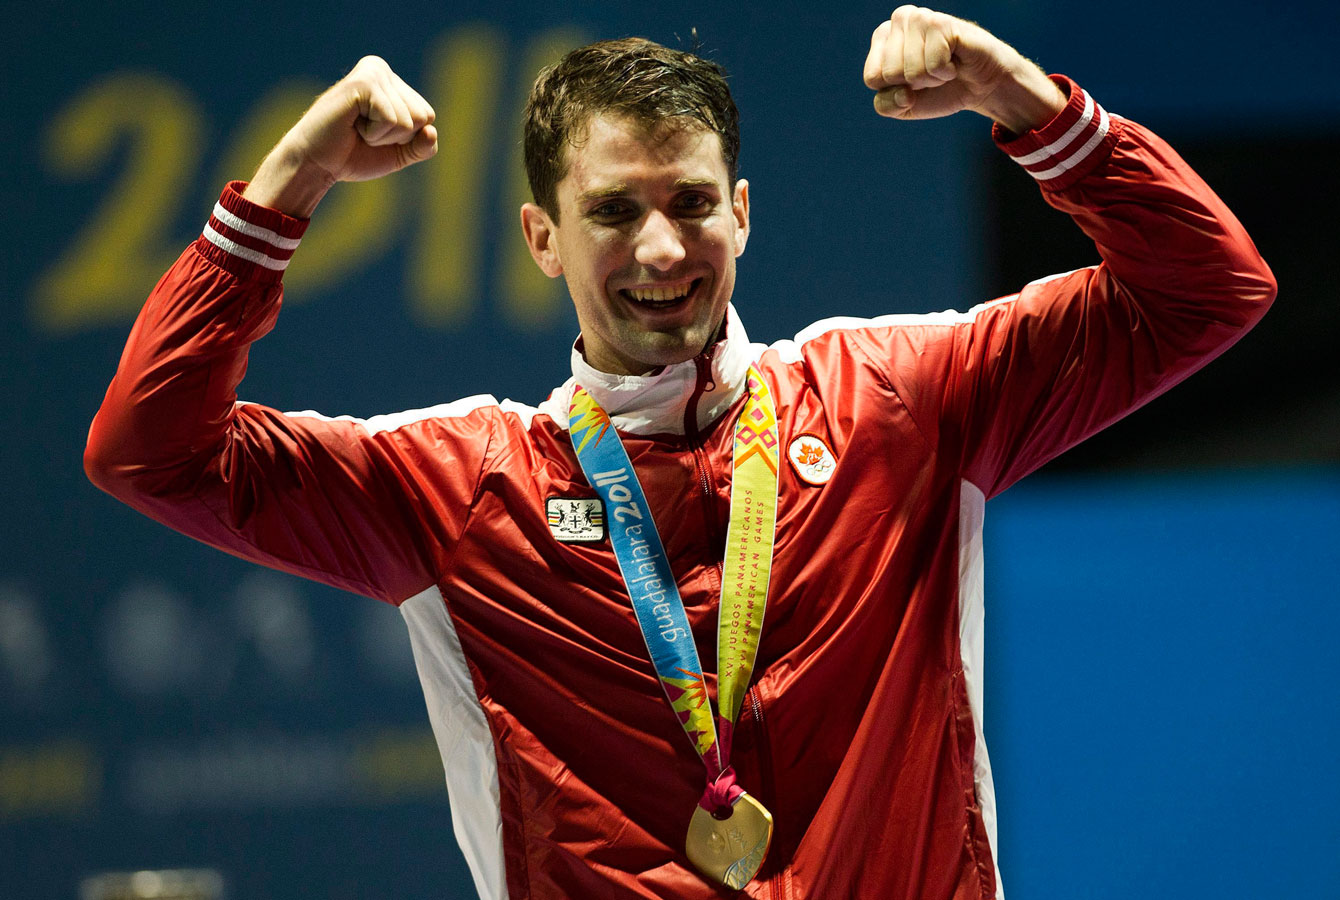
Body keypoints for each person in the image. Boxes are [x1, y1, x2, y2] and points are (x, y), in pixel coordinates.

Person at [85, 6, 1275, 899]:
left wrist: (1029, 105)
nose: (661, 249)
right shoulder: (453, 485)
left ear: (742, 212)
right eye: (611, 211)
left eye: (691, 203)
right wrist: (285, 188)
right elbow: (151, 452)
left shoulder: (899, 402)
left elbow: (1207, 290)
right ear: (541, 238)